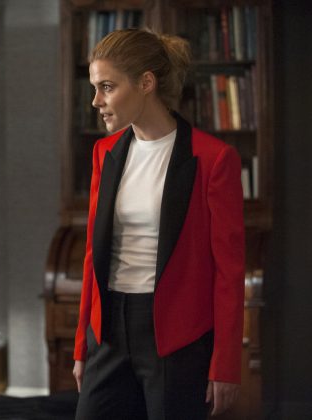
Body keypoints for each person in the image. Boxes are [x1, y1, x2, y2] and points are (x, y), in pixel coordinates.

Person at [72, 28, 245, 419]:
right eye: (95, 88)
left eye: (107, 87)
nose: (96, 101)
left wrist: (225, 364)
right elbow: (92, 254)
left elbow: (229, 272)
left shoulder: (214, 159)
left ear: (146, 83)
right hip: (108, 331)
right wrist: (83, 345)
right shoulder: (104, 152)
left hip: (176, 338)